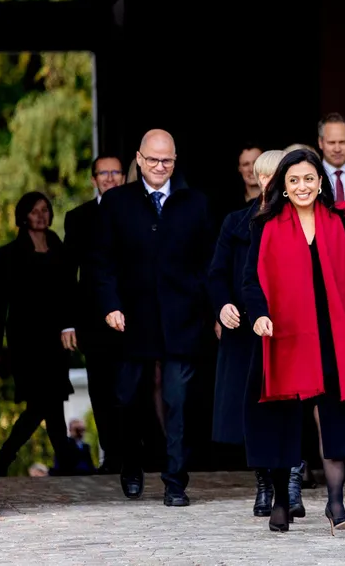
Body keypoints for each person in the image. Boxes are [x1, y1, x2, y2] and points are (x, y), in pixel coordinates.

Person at [241, 149, 345, 533]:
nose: (302, 186)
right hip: (284, 335)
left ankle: (336, 504)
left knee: (337, 417)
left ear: (320, 182)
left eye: (309, 178)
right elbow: (251, 281)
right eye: (294, 181)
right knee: (282, 422)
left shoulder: (340, 224)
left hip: (331, 336)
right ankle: (279, 500)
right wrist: (259, 315)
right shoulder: (265, 225)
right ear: (284, 188)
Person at [94, 129, 215, 507]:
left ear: (175, 161)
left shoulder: (195, 202)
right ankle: (131, 464)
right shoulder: (116, 202)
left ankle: (175, 481)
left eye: (167, 160)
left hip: (183, 318)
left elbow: (210, 262)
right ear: (139, 159)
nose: (160, 166)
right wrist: (110, 304)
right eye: (153, 160)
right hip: (132, 319)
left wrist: (213, 309)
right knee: (128, 397)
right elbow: (102, 263)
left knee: (179, 401)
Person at [209, 150, 286, 517]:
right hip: (245, 330)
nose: (269, 182)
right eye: (263, 175)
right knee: (252, 406)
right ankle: (263, 482)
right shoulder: (236, 222)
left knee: (288, 404)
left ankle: (292, 481)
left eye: (277, 175)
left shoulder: (303, 223)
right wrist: (222, 305)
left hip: (288, 328)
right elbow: (217, 273)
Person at [0, 193, 77, 477]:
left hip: (56, 341)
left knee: (51, 402)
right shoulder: (7, 255)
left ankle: (7, 458)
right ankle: (7, 456)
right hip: (26, 341)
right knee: (44, 402)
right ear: (23, 216)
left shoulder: (60, 248)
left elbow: (70, 293)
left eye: (44, 210)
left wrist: (70, 325)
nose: (40, 215)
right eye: (34, 211)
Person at [63, 155, 126, 474]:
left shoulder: (140, 210)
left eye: (116, 172)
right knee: (101, 389)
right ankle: (112, 455)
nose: (110, 178)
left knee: (134, 386)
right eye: (104, 173)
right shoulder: (77, 217)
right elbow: (67, 273)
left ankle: (141, 453)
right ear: (93, 179)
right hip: (92, 318)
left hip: (134, 315)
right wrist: (67, 322)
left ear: (125, 176)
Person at [317, 113, 345, 204]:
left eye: (342, 142)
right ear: (320, 143)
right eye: (331, 143)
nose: (337, 149)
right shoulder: (313, 175)